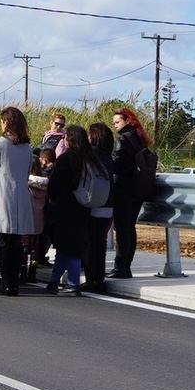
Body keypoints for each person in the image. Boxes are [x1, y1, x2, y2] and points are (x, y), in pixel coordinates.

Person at [46, 124, 102, 293]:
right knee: (74, 245)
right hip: (83, 206)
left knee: (64, 246)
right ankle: (57, 281)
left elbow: (54, 184)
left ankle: (71, 282)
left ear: (70, 140)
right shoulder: (91, 159)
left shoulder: (65, 159)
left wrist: (52, 197)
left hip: (64, 206)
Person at [0, 106, 35, 296]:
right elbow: (28, 171)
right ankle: (14, 282)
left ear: (6, 122)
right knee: (16, 241)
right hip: (21, 194)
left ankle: (6, 283)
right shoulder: (27, 147)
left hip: (2, 193)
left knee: (4, 240)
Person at [110, 106, 153, 279]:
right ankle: (126, 266)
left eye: (117, 122)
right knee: (129, 228)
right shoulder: (139, 137)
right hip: (138, 189)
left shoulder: (122, 140)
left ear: (127, 121)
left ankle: (120, 267)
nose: (115, 125)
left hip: (123, 189)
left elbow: (115, 164)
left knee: (122, 229)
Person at [83, 122, 117, 293]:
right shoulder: (109, 157)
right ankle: (99, 279)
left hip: (93, 202)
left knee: (89, 242)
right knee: (100, 243)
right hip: (108, 203)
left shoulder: (90, 155)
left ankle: (91, 279)